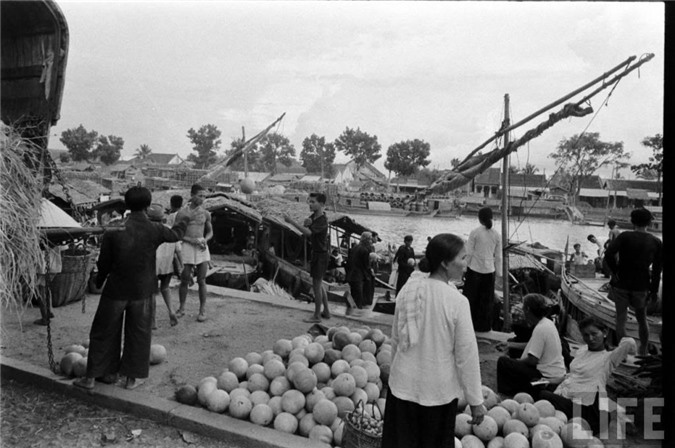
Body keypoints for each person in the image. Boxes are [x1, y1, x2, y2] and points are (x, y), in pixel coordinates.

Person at [74, 186, 188, 390]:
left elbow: (105, 262)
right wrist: (186, 218)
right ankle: (131, 380)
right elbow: (176, 234)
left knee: (103, 332)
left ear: (126, 205)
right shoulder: (155, 228)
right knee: (139, 334)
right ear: (148, 205)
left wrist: (99, 281)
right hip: (142, 291)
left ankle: (91, 378)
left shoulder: (115, 229)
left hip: (116, 290)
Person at [382, 234, 485, 447]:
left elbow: (395, 340)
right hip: (437, 395)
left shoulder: (407, 291)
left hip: (402, 389)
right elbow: (466, 355)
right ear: (445, 263)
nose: (466, 265)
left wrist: (395, 377)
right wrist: (475, 401)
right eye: (463, 258)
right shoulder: (457, 301)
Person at [539, 317, 636, 435]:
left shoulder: (609, 358)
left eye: (594, 334)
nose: (590, 338)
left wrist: (617, 340)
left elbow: (630, 343)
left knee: (543, 395)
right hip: (570, 395)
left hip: (588, 410)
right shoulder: (582, 351)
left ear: (604, 333)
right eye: (586, 335)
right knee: (538, 385)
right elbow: (572, 375)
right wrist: (549, 380)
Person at [604, 208, 662, 356]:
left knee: (621, 318)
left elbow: (609, 253)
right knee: (642, 319)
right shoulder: (655, 241)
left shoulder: (624, 237)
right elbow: (657, 269)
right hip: (641, 285)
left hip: (621, 283)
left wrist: (615, 271)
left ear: (632, 221)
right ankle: (643, 351)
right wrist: (654, 291)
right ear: (649, 222)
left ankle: (624, 353)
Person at [496, 293, 566, 398]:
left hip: (544, 375)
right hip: (554, 372)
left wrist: (517, 362)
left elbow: (533, 360)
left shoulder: (540, 328)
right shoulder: (547, 323)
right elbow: (532, 346)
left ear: (528, 309)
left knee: (503, 362)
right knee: (513, 350)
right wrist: (510, 344)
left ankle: (508, 392)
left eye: (524, 307)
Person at [284, 192, 331, 323]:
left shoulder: (322, 220)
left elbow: (308, 233)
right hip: (317, 254)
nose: (310, 204)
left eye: (313, 202)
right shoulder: (315, 217)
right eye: (309, 202)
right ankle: (326, 311)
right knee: (319, 284)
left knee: (316, 286)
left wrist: (291, 221)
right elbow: (308, 225)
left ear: (321, 204)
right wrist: (307, 222)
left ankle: (316, 316)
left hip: (320, 255)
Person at [176, 184, 213, 323]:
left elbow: (210, 232)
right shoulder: (182, 213)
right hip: (187, 247)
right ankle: (181, 308)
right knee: (185, 279)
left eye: (204, 196)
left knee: (202, 280)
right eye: (200, 195)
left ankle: (202, 310)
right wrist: (191, 240)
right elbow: (177, 234)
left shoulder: (206, 213)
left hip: (202, 248)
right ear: (192, 195)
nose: (202, 199)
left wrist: (205, 239)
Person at [463, 207, 502, 332]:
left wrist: (465, 267)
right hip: (489, 271)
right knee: (486, 300)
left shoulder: (475, 232)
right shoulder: (496, 235)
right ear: (491, 217)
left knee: (470, 298)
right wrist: (499, 273)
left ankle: (468, 325)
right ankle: (484, 327)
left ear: (479, 218)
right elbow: (499, 256)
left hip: (474, 269)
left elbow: (469, 252)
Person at [147, 204, 180, 328]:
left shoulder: (148, 230)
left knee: (152, 293)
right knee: (165, 288)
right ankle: (171, 311)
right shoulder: (169, 230)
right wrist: (180, 266)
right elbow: (178, 250)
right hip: (167, 265)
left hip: (153, 265)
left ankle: (153, 321)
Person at [345, 232, 375, 309]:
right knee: (359, 296)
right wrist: (370, 272)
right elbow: (366, 265)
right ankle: (358, 311)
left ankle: (352, 309)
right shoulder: (365, 250)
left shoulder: (355, 247)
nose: (371, 241)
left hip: (351, 274)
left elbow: (349, 261)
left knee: (353, 294)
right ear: (367, 240)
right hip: (358, 275)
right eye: (370, 239)